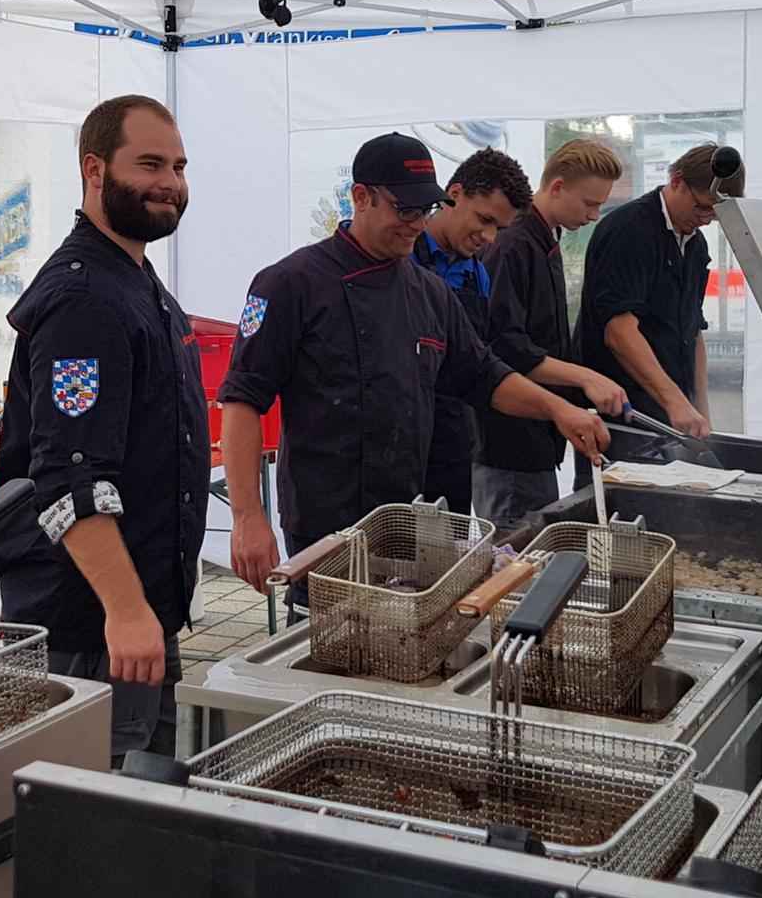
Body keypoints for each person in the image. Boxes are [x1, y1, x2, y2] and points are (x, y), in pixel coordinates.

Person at [218, 131, 610, 604]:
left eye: (424, 211)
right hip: (326, 521)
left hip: (412, 515)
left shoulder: (429, 292)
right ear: (361, 197)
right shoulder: (289, 283)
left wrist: (559, 411)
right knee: (324, 638)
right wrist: (247, 517)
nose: (416, 225)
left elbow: (483, 375)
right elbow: (242, 399)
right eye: (404, 210)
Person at [0, 95, 208, 764]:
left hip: (135, 611)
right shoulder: (85, 299)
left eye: (178, 167)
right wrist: (127, 610)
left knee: (142, 791)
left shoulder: (135, 279)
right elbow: (69, 478)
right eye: (149, 164)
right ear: (95, 170)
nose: (170, 183)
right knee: (98, 800)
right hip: (88, 626)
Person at [472, 139, 630, 529]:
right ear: (557, 187)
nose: (594, 216)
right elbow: (504, 346)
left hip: (538, 438)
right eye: (589, 203)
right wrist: (585, 378)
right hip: (507, 444)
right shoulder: (511, 243)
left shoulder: (546, 238)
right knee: (517, 555)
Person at [574, 142, 745, 444]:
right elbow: (620, 332)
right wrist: (675, 401)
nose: (707, 219)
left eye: (716, 214)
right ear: (677, 181)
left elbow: (693, 331)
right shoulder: (630, 231)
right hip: (625, 416)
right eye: (703, 207)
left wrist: (700, 410)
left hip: (672, 415)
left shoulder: (695, 244)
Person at [410, 147, 533, 513]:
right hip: (400, 441)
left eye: (499, 228)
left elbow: (477, 363)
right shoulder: (403, 258)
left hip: (452, 441)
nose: (490, 237)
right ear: (455, 194)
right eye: (484, 219)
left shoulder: (477, 274)